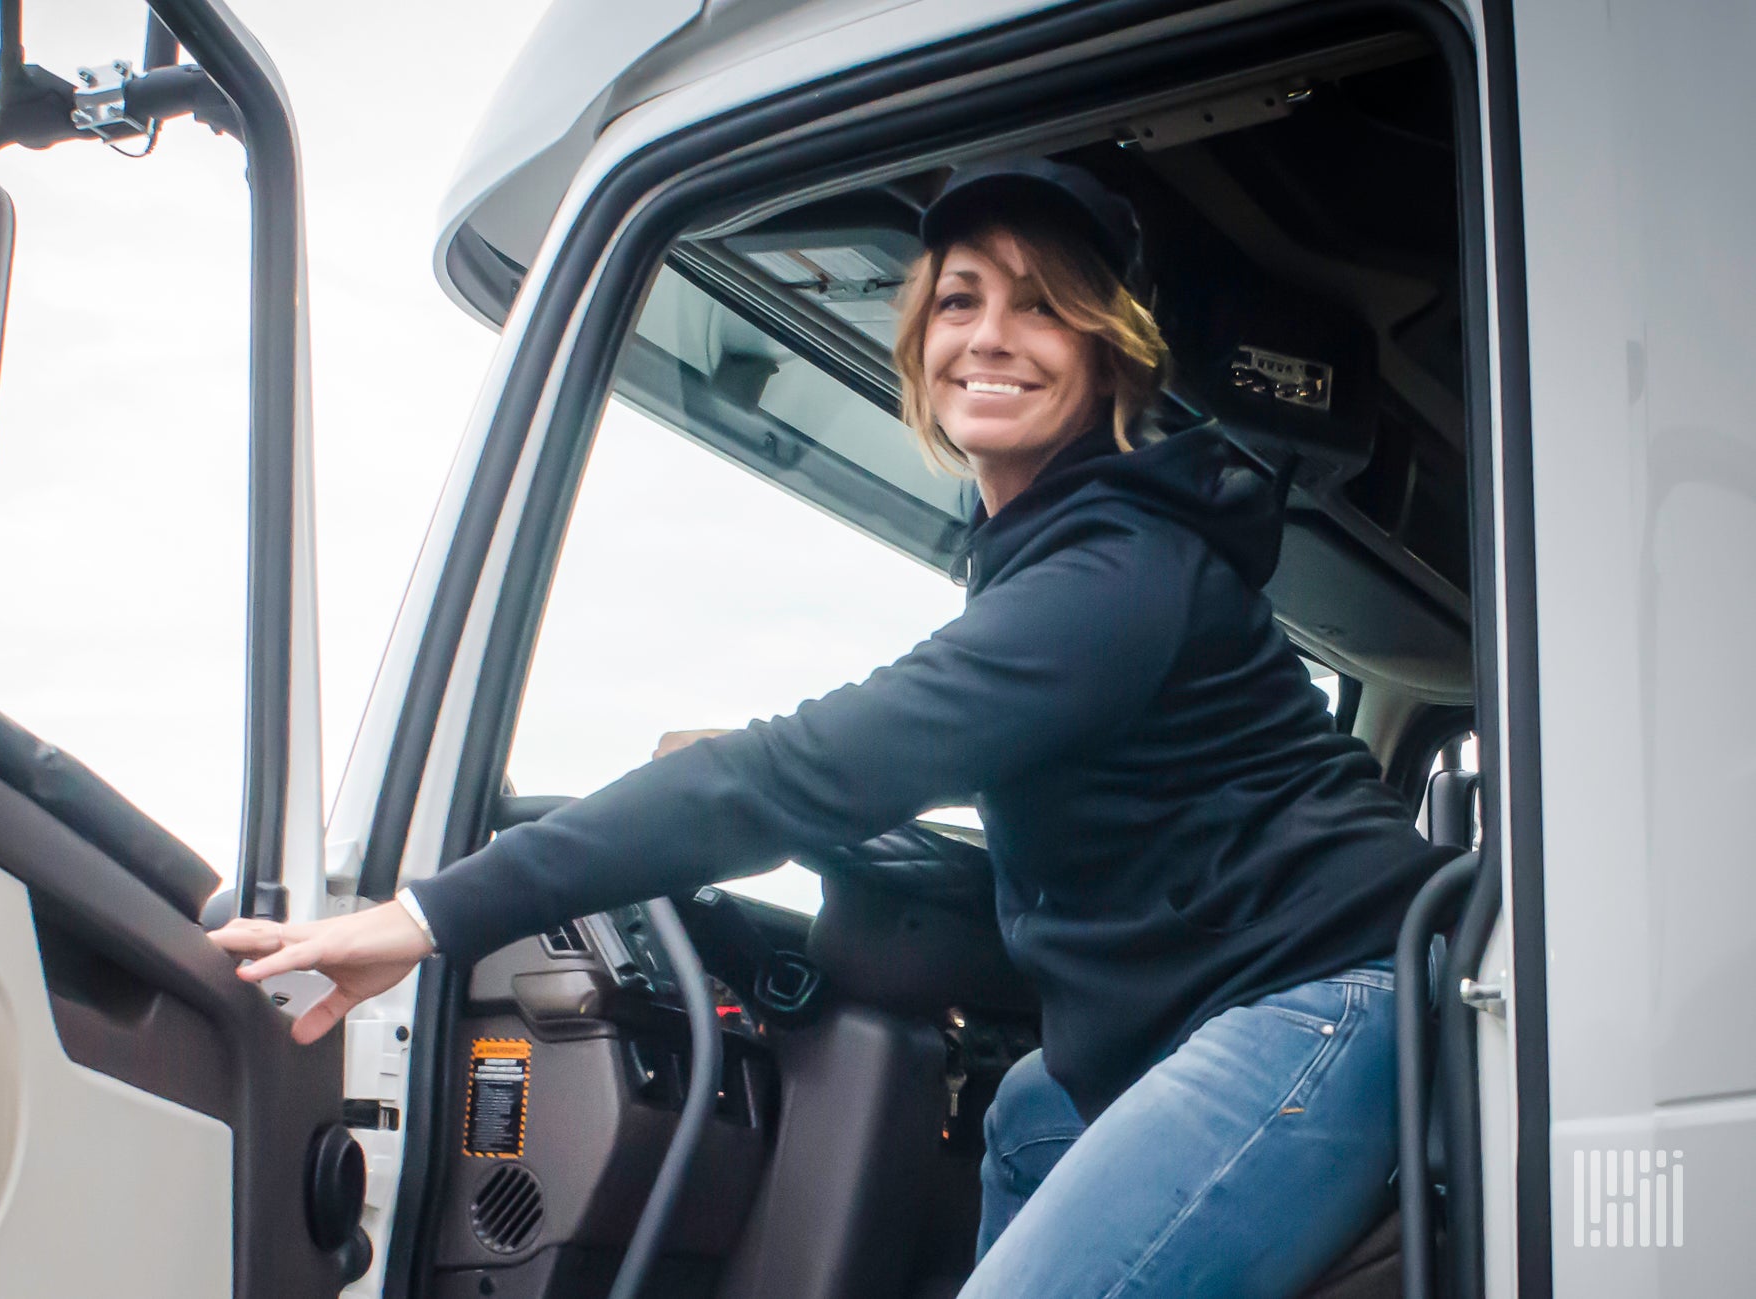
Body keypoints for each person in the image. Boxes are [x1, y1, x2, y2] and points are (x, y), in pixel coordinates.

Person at [213, 158, 1451, 1297]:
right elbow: (1062, 772)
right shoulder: (1060, 556)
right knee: (1025, 1112)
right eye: (959, 302)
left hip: (1325, 998)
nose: (990, 337)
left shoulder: (1112, 572)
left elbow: (801, 775)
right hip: (1234, 999)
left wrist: (428, 915)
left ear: (1106, 351)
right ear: (917, 343)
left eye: (1041, 305)